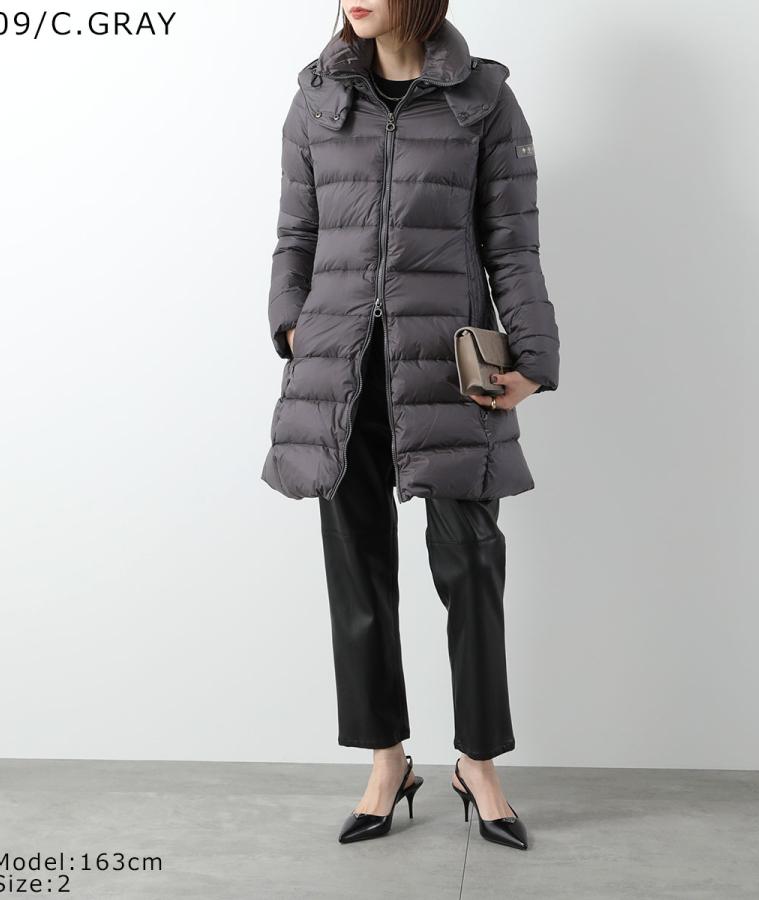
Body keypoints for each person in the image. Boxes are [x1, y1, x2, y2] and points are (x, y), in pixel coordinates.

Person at [261, 0, 560, 850]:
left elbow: (513, 245)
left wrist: (533, 356)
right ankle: (387, 763)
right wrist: (293, 323)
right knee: (358, 572)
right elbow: (295, 234)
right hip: (342, 372)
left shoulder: (484, 100)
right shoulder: (317, 99)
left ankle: (479, 764)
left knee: (472, 566)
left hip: (448, 372)